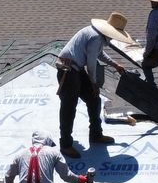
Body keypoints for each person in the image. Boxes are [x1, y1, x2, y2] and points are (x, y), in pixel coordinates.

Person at [56, 11, 135, 159]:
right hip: (68, 70)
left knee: (94, 100)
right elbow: (91, 64)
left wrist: (115, 64)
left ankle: (96, 134)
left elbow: (98, 54)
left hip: (76, 69)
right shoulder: (95, 37)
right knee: (69, 107)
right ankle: (65, 144)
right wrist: (94, 83)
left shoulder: (97, 36)